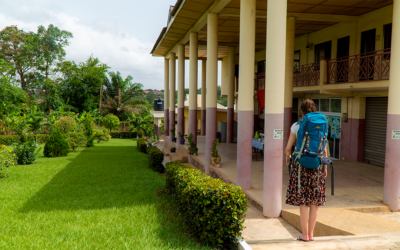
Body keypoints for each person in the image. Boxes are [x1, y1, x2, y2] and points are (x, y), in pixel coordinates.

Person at [285, 99, 328, 242]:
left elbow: (288, 148)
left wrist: (287, 157)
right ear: (314, 109)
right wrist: (325, 167)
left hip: (301, 166)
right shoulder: (321, 124)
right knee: (315, 201)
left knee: (303, 200)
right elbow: (324, 148)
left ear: (301, 111)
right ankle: (311, 234)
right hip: (318, 165)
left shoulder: (297, 126)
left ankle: (304, 235)